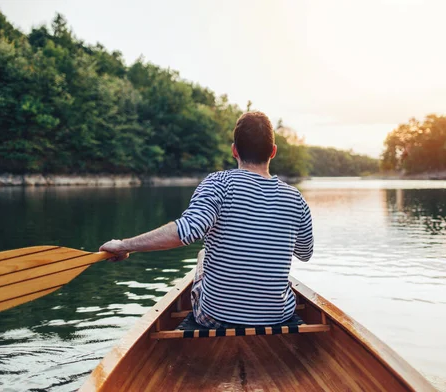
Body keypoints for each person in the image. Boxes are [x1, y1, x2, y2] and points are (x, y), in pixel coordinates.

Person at [99, 111, 313, 327]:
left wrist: (125, 245)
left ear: (234, 150)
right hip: (278, 317)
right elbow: (305, 253)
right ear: (273, 152)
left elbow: (186, 231)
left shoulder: (219, 184)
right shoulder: (295, 198)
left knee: (203, 254)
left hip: (216, 318)